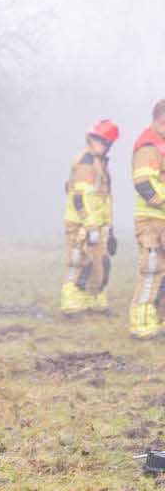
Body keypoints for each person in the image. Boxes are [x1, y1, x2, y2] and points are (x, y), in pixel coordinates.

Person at [61, 121, 119, 314]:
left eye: (103, 142)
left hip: (96, 223)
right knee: (79, 261)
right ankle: (71, 302)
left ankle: (92, 299)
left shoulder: (99, 162)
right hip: (81, 223)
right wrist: (91, 226)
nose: (100, 144)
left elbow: (104, 199)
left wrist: (109, 228)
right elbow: (81, 197)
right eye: (98, 140)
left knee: (100, 262)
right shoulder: (87, 162)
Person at [131, 100, 165, 338]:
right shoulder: (148, 145)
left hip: (160, 218)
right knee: (151, 270)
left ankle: (156, 319)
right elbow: (144, 184)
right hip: (152, 220)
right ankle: (142, 325)